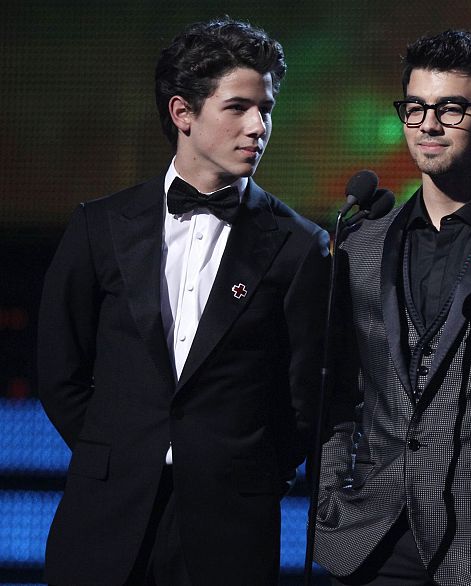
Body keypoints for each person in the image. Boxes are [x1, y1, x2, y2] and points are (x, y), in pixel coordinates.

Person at [37, 17, 329, 585]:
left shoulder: (299, 245)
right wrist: (119, 452)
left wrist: (243, 470)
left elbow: (306, 400)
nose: (258, 126)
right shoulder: (100, 226)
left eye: (265, 109)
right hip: (106, 514)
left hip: (230, 526)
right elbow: (58, 370)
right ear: (182, 113)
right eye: (238, 107)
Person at [313, 29, 471, 586]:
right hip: (370, 540)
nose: (429, 125)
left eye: (450, 108)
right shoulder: (363, 240)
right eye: (415, 108)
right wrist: (328, 493)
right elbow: (341, 387)